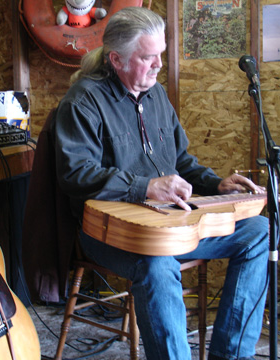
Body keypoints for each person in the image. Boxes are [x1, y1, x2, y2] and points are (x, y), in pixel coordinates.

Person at [52, 7, 269, 360]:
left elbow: (181, 161)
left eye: (160, 56)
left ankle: (230, 355)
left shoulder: (156, 96)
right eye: (147, 57)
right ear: (116, 60)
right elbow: (76, 174)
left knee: (260, 231)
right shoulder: (83, 101)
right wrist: (145, 187)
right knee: (157, 264)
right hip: (111, 234)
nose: (157, 65)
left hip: (171, 225)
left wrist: (217, 184)